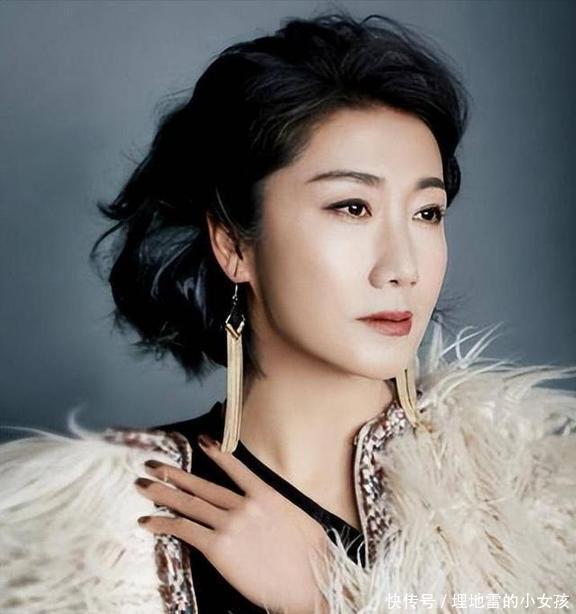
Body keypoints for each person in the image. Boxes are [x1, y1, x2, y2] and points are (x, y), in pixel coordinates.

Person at [1, 11, 575, 614]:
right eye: (352, 207)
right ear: (234, 244)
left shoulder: (533, 496)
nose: (402, 266)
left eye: (427, 213)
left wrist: (329, 600)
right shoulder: (115, 521)